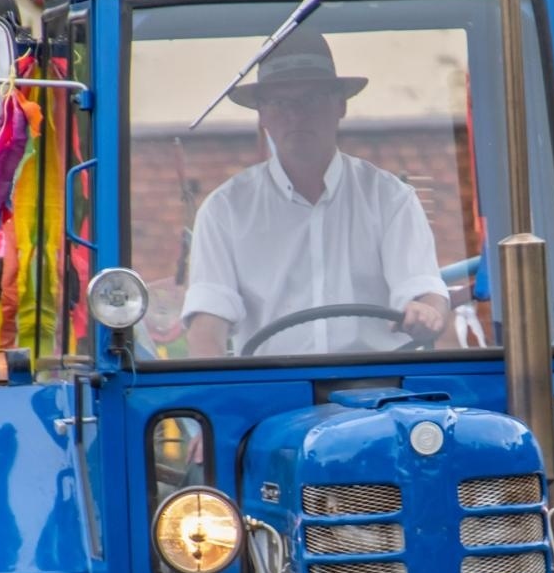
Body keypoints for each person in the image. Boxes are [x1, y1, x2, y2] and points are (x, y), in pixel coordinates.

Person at [182, 30, 450, 357]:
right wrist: (218, 400)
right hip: (273, 392)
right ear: (262, 114)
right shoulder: (225, 210)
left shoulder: (390, 198)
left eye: (310, 99)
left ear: (340, 106)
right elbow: (208, 322)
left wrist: (425, 311)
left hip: (379, 390)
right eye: (281, 102)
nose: (296, 115)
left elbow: (423, 291)